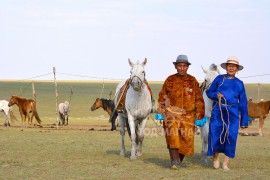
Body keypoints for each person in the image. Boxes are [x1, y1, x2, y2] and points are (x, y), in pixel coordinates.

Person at [158, 54, 205, 169]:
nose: (182, 68)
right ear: (176, 66)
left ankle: (177, 160)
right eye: (180, 66)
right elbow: (162, 96)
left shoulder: (193, 81)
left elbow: (199, 100)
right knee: (172, 137)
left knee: (187, 142)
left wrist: (199, 116)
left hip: (188, 116)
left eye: (184, 66)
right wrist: (161, 111)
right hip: (171, 114)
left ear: (187, 67)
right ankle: (175, 162)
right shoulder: (170, 80)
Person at [206, 56, 248, 170]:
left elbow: (243, 103)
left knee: (231, 136)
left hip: (233, 113)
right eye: (229, 65)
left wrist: (244, 121)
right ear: (226, 67)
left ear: (237, 69)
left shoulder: (240, 83)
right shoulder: (219, 79)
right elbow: (209, 91)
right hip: (218, 111)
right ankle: (215, 158)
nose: (231, 68)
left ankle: (225, 163)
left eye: (233, 66)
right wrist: (216, 95)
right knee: (215, 134)